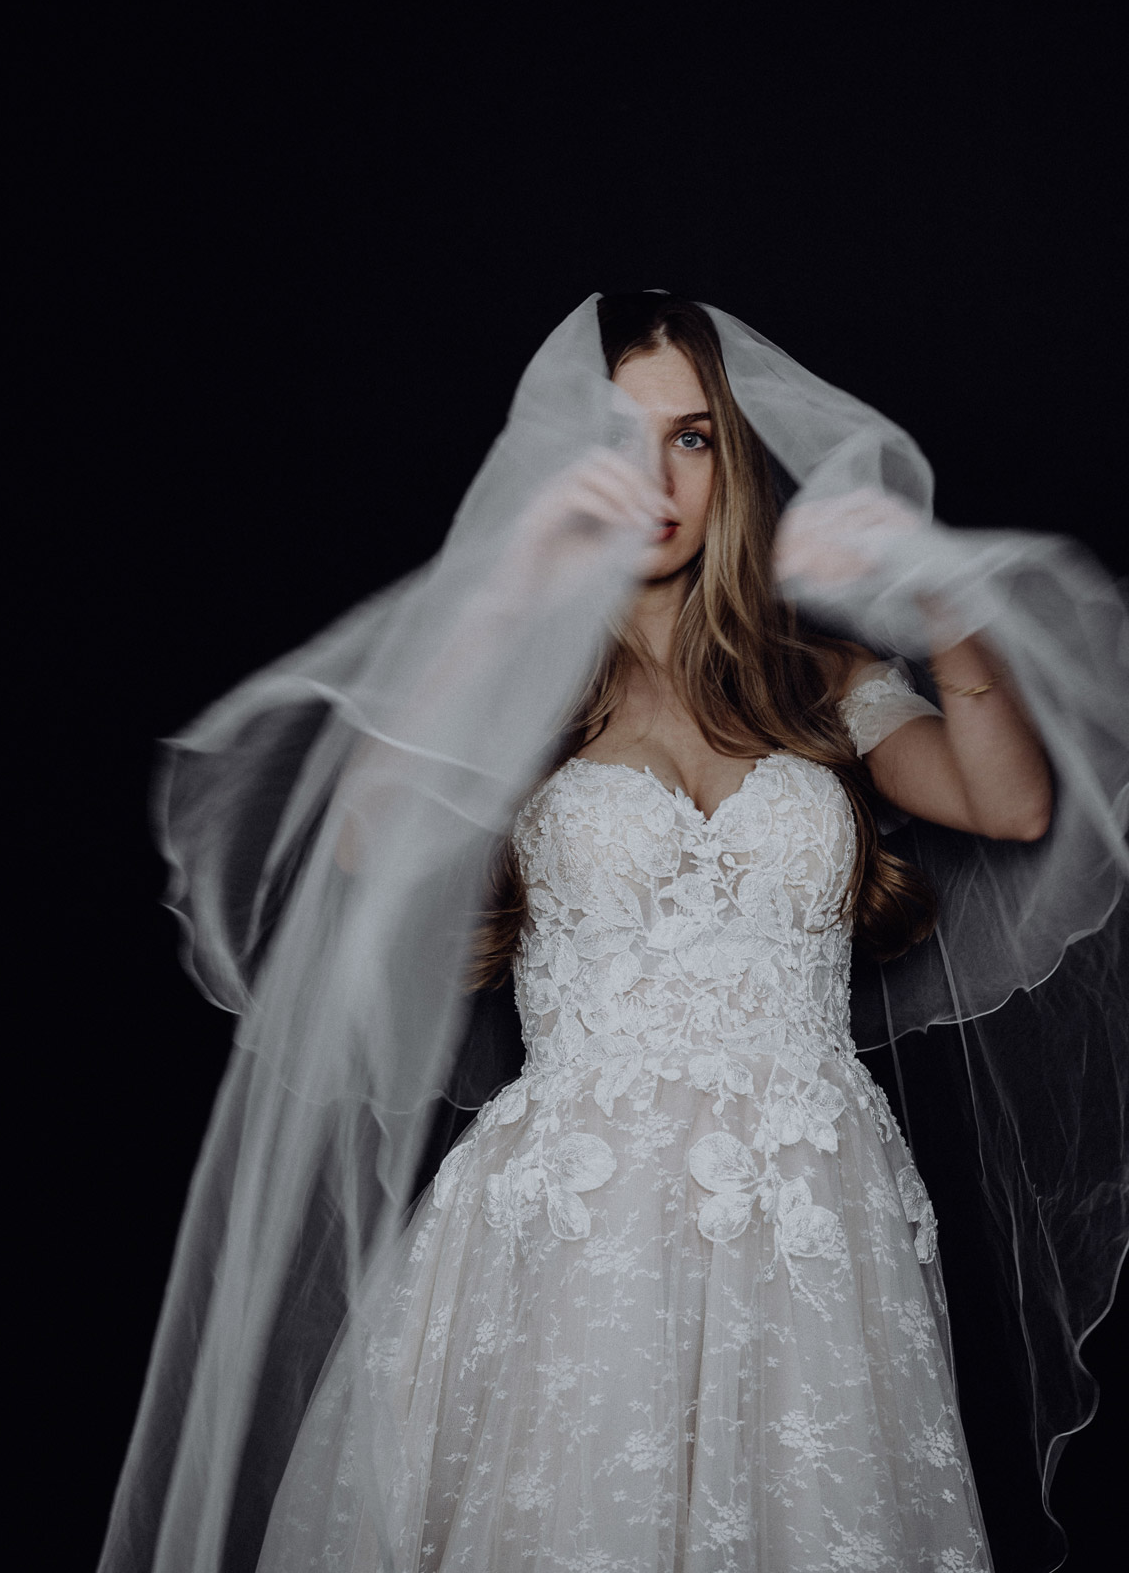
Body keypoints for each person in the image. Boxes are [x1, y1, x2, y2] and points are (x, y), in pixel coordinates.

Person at [100, 294, 1128, 1573]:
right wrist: (507, 589)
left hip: (807, 1204)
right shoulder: (525, 692)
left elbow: (1009, 800)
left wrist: (943, 598)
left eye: (692, 438)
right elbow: (366, 837)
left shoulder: (812, 676)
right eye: (619, 439)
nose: (658, 480)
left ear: (730, 459)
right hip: (578, 1216)